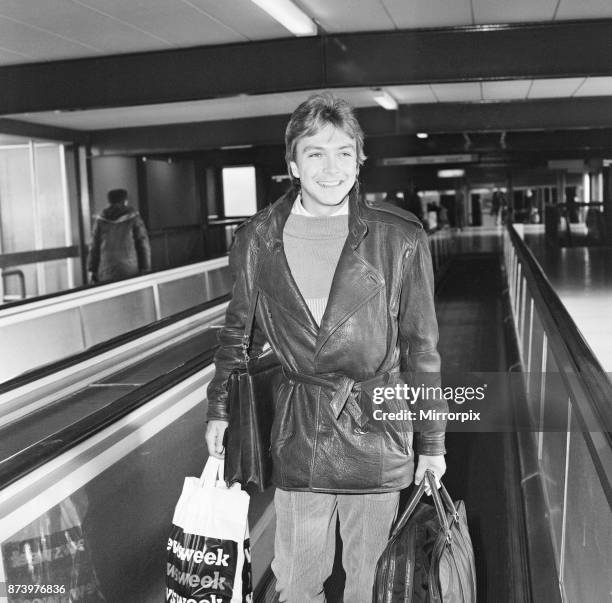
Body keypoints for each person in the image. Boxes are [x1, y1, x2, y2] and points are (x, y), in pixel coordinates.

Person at [205, 93, 446, 602]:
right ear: (293, 164)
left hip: (378, 426)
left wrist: (433, 443)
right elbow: (237, 334)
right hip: (300, 429)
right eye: (315, 153)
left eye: (343, 153)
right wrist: (219, 408)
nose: (330, 168)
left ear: (360, 161)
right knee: (296, 582)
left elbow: (421, 351)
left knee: (372, 583)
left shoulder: (398, 237)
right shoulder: (258, 239)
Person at [87, 188, 151, 283]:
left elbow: (94, 248)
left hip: (106, 270)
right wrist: (145, 268)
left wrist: (92, 270)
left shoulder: (100, 220)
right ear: (125, 201)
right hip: (130, 271)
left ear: (109, 202)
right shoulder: (134, 218)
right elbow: (143, 244)